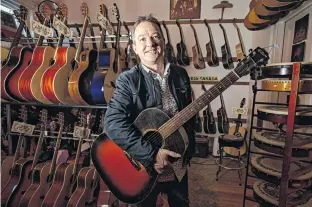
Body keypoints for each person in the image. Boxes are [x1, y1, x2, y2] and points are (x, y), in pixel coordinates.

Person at [104, 14, 195, 207]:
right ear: (135, 48)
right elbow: (112, 123)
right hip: (145, 164)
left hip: (177, 163)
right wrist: (152, 153)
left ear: (163, 40)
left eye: (155, 36)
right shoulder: (128, 80)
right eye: (142, 39)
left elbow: (189, 116)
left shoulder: (180, 75)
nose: (150, 43)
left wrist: (189, 149)